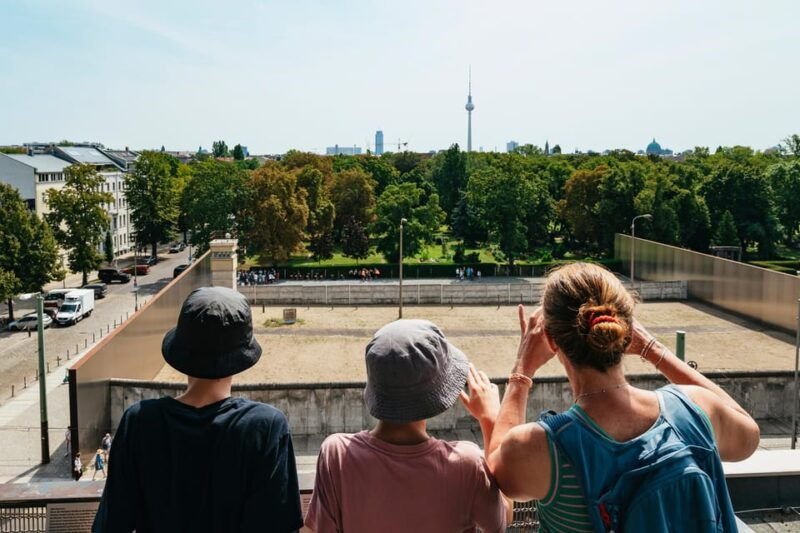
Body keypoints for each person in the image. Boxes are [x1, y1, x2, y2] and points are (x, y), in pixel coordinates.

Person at [472, 263, 759, 532]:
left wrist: (522, 371)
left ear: (550, 340)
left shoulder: (541, 447)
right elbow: (748, 436)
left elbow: (496, 476)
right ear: (627, 330)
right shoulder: (696, 407)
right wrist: (654, 350)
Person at [93, 286, 303, 533]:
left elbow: (111, 524)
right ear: (241, 356)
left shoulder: (139, 421)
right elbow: (277, 524)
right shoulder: (266, 426)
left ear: (180, 350)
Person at [305, 319, 508, 533]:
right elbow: (502, 521)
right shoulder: (467, 464)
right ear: (439, 391)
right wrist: (490, 421)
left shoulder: (336, 455)